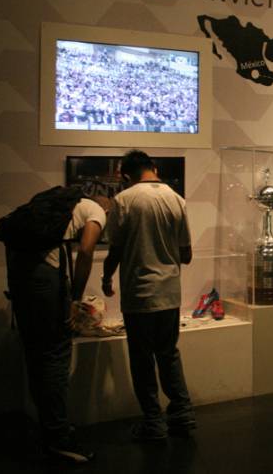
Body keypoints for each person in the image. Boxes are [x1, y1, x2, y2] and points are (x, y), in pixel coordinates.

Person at [5, 192, 108, 463]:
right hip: (45, 278)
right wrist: (75, 298)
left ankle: (50, 426)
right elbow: (86, 250)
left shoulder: (58, 203)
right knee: (55, 354)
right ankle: (59, 438)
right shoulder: (96, 209)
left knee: (36, 353)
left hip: (20, 273)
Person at [101, 150, 196, 441]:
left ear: (125, 175)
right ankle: (182, 414)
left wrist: (106, 276)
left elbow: (115, 249)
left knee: (142, 359)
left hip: (139, 294)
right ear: (154, 167)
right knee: (168, 354)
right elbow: (187, 254)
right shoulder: (176, 199)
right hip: (169, 292)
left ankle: (153, 423)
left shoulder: (125, 201)